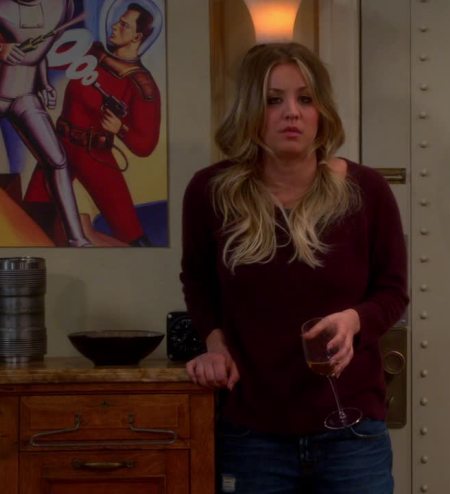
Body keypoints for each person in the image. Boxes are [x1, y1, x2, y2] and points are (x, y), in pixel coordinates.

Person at [180, 42, 408, 493]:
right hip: (253, 434)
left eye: (305, 99)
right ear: (251, 110)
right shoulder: (211, 192)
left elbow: (393, 290)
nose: (292, 113)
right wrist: (214, 345)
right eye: (273, 100)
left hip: (351, 432)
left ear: (321, 111)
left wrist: (355, 320)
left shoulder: (367, 190)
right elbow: (198, 282)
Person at [24, 2, 161, 246]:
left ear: (137, 37)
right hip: (58, 146)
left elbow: (146, 145)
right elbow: (43, 56)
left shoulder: (142, 85)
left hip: (94, 154)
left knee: (132, 236)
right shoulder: (92, 53)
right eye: (118, 20)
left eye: (124, 25)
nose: (115, 26)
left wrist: (121, 129)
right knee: (32, 219)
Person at [0, 0, 90, 246]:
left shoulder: (62, 6)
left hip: (25, 96)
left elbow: (38, 48)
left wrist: (43, 83)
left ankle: (77, 239)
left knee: (58, 161)